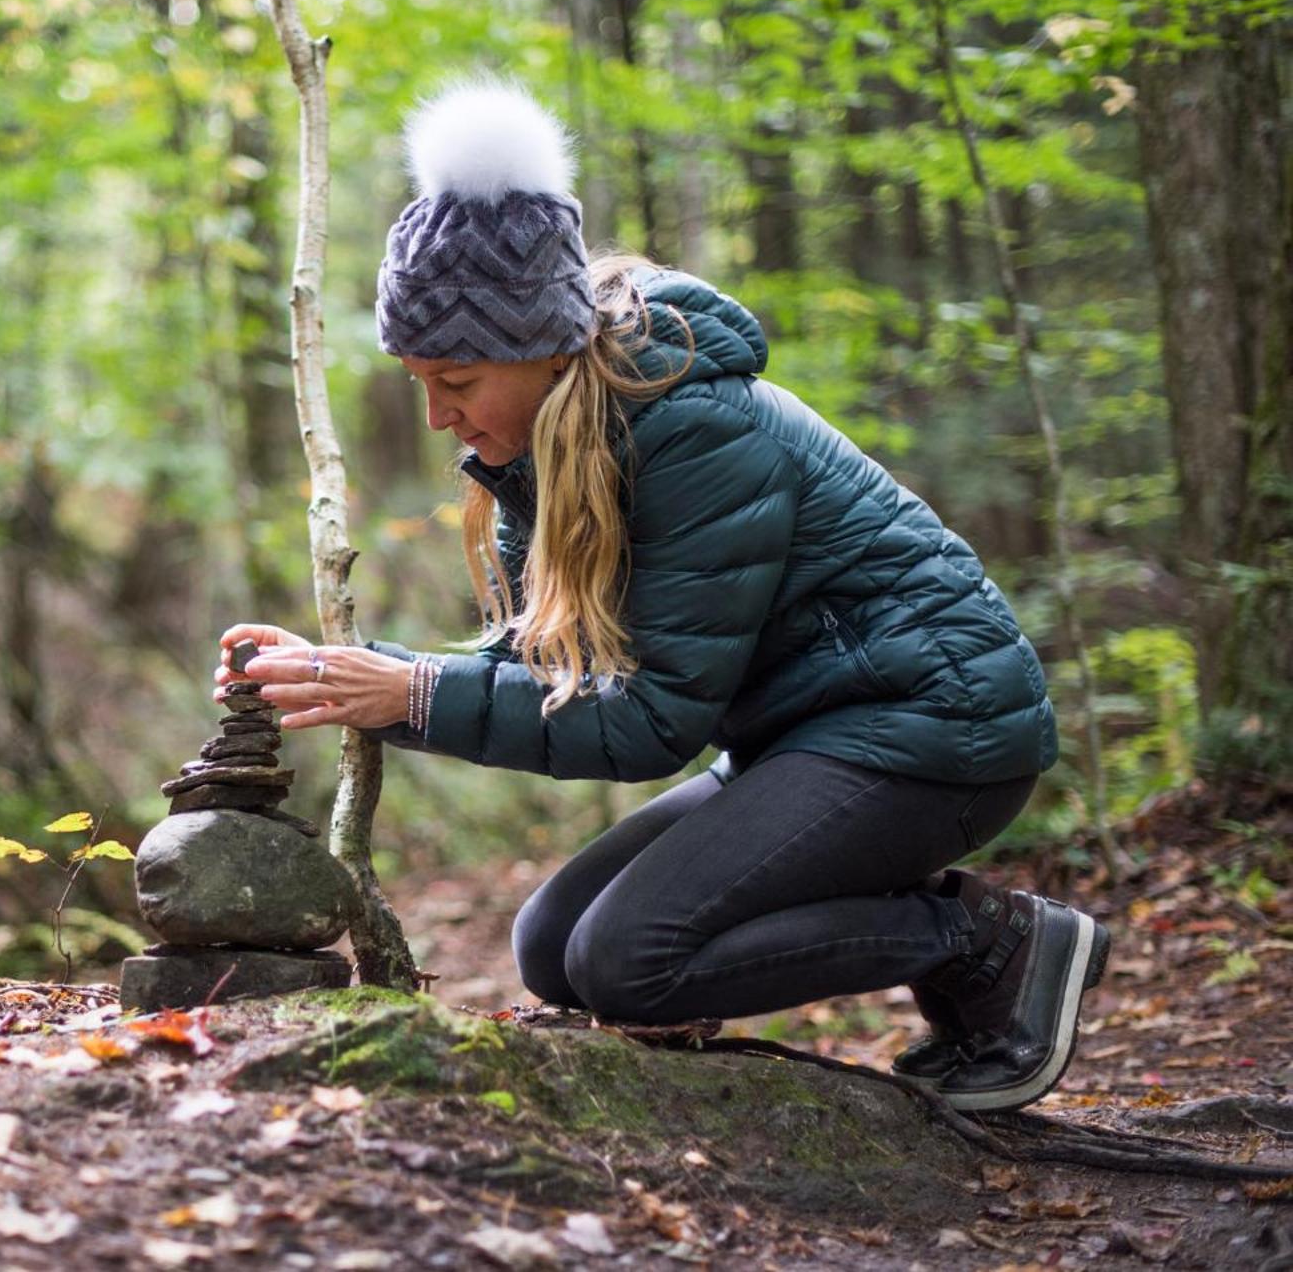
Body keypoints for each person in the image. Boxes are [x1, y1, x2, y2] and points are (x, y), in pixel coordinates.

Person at [217, 78, 1108, 1114]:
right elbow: (545, 664)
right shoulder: (550, 441)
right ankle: (956, 948)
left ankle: (987, 944)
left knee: (629, 961)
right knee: (552, 946)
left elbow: (647, 725)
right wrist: (346, 679)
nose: (435, 417)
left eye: (453, 382)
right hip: (809, 734)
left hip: (933, 732)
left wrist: (408, 692)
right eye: (418, 382)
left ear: (535, 346)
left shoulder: (691, 432)